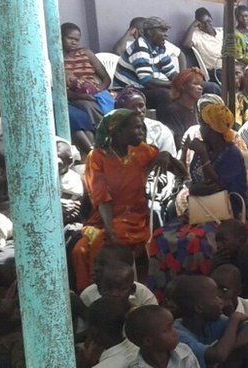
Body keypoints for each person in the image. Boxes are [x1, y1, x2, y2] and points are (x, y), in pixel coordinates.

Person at [72, 110, 184, 291]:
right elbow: (102, 199)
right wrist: (110, 231)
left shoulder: (142, 151)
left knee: (102, 246)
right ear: (117, 131)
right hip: (103, 219)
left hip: (134, 218)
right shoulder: (97, 157)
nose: (141, 132)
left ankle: (109, 291)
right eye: (136, 128)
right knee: (80, 250)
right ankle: (89, 296)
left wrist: (166, 156)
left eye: (142, 127)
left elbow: (181, 172)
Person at [179, 100, 248, 221]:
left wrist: (203, 154)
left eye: (203, 124)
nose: (200, 128)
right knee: (162, 233)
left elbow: (215, 187)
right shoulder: (206, 147)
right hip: (203, 208)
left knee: (182, 238)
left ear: (212, 129)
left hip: (227, 213)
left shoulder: (232, 154)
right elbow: (194, 180)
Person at [61, 22, 112, 154]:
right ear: (60, 37)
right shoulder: (57, 59)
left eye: (76, 40)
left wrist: (99, 90)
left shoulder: (86, 53)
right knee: (87, 105)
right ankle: (104, 135)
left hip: (96, 92)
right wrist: (82, 95)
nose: (73, 42)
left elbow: (106, 78)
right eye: (70, 38)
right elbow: (60, 90)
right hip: (75, 96)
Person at [113, 17, 179, 113]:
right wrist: (174, 84)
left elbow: (172, 73)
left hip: (143, 89)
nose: (166, 35)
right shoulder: (140, 48)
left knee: (198, 87)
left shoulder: (159, 47)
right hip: (128, 92)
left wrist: (184, 80)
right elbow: (147, 81)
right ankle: (169, 126)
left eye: (166, 31)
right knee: (165, 94)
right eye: (162, 31)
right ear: (150, 32)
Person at [114, 87, 176, 155]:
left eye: (141, 106)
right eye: (132, 107)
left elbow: (170, 158)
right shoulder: (113, 133)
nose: (138, 111)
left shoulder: (160, 130)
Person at [163, 68, 205, 149]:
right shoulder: (173, 111)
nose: (200, 88)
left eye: (201, 85)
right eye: (195, 84)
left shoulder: (199, 107)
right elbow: (179, 143)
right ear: (183, 86)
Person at [182, 8, 223, 82]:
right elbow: (186, 44)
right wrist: (194, 24)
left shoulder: (221, 32)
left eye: (208, 21)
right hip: (216, 71)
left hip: (231, 65)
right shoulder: (196, 35)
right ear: (198, 24)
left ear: (212, 19)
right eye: (203, 23)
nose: (207, 25)